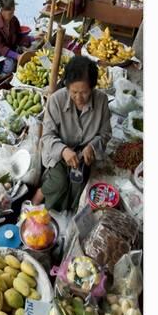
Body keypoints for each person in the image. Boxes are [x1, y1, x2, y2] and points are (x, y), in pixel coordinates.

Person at [32, 56, 112, 212]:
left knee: (78, 184)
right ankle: (41, 195)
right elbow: (47, 136)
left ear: (93, 88)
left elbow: (106, 133)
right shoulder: (56, 100)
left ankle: (67, 213)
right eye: (74, 92)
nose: (79, 98)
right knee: (59, 183)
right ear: (67, 87)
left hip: (84, 154)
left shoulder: (101, 100)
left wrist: (92, 146)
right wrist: (63, 150)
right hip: (58, 151)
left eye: (84, 92)